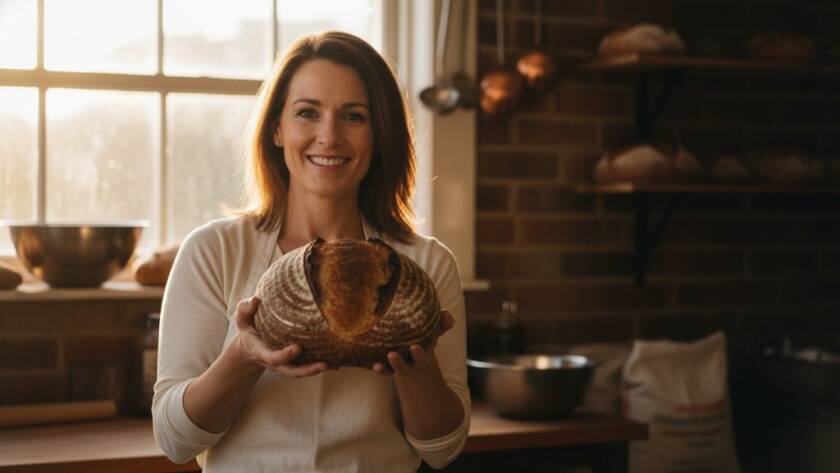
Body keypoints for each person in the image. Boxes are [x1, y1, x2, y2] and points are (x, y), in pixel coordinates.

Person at [152, 31, 470, 472]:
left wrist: (417, 367)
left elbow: (442, 450)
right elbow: (174, 441)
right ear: (277, 129)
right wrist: (244, 355)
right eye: (307, 113)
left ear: (380, 135)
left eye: (354, 117)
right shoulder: (215, 251)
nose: (329, 136)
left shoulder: (427, 265)